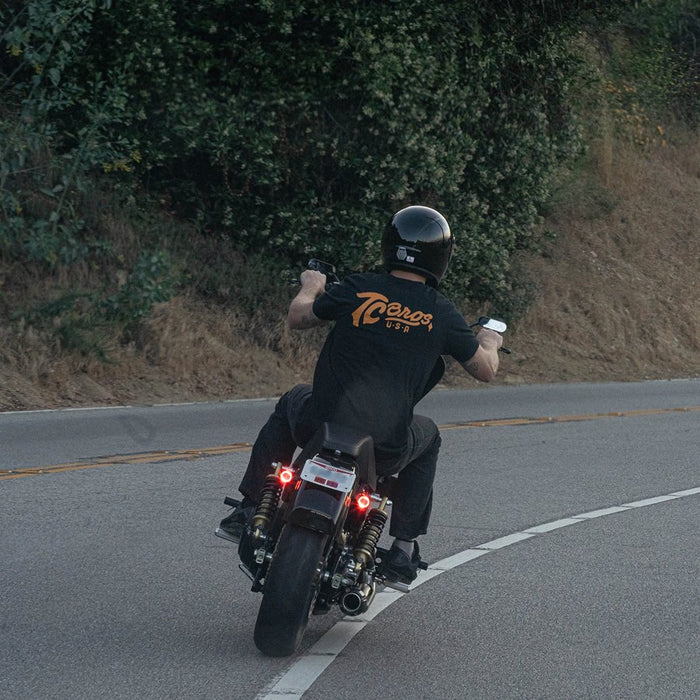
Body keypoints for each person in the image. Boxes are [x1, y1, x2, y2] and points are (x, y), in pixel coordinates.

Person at [215, 205, 503, 583]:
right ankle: (402, 548)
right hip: (385, 445)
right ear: (441, 257)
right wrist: (490, 340)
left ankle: (250, 506)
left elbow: (299, 317)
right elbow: (485, 369)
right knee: (428, 436)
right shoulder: (442, 314)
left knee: (291, 400)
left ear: (388, 245)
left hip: (320, 425)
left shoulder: (357, 288)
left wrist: (312, 285)